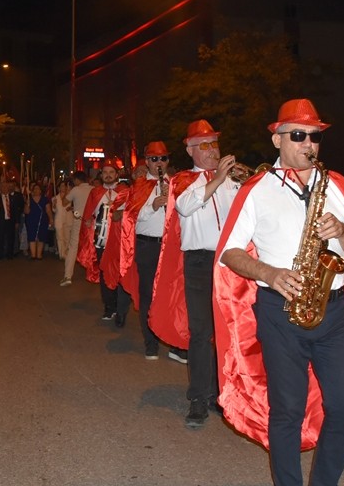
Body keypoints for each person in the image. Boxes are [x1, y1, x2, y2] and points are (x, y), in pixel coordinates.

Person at [217, 98, 344, 486]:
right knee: (287, 410)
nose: (308, 144)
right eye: (298, 135)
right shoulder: (257, 189)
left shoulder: (336, 185)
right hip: (279, 310)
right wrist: (270, 273)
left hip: (335, 309)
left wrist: (343, 233)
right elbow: (230, 251)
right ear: (278, 140)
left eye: (314, 136)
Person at [149, 120, 239, 427]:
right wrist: (217, 179)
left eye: (215, 144)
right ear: (190, 150)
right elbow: (186, 207)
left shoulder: (233, 181)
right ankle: (199, 398)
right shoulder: (184, 180)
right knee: (201, 333)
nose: (212, 150)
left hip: (229, 262)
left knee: (228, 333)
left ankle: (221, 395)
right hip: (199, 262)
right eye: (205, 145)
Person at [119, 142, 170, 359]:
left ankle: (172, 339)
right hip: (147, 245)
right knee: (148, 294)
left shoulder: (177, 184)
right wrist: (154, 206)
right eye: (155, 159)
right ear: (147, 162)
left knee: (170, 293)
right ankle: (151, 342)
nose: (160, 163)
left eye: (164, 159)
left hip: (170, 247)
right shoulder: (139, 186)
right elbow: (131, 218)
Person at [77, 160, 131, 326]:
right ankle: (109, 306)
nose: (108, 175)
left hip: (120, 242)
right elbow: (87, 216)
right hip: (101, 241)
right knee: (104, 274)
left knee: (120, 274)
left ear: (117, 175)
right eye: (105, 172)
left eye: (111, 172)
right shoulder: (96, 192)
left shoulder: (125, 191)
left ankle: (120, 308)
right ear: (101, 175)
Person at [61, 171, 91, 286]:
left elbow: (64, 203)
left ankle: (68, 276)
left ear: (77, 180)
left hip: (79, 221)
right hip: (91, 222)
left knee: (73, 247)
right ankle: (94, 272)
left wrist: (67, 190)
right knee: (91, 247)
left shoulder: (76, 190)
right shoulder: (93, 189)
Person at [24, 183, 52, 260]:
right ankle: (33, 255)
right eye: (35, 189)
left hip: (42, 220)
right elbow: (26, 211)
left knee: (41, 237)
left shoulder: (45, 199)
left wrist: (51, 219)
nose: (36, 190)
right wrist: (27, 204)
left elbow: (48, 210)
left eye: (38, 189)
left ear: (40, 191)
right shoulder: (29, 199)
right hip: (31, 220)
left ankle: (39, 255)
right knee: (32, 236)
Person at [52, 179, 73, 263]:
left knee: (68, 237)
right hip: (59, 219)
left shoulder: (70, 196)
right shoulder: (55, 198)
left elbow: (74, 206)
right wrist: (53, 204)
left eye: (64, 186)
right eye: (61, 186)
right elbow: (54, 210)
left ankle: (67, 253)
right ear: (58, 188)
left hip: (68, 218)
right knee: (60, 237)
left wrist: (71, 208)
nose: (63, 187)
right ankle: (62, 254)